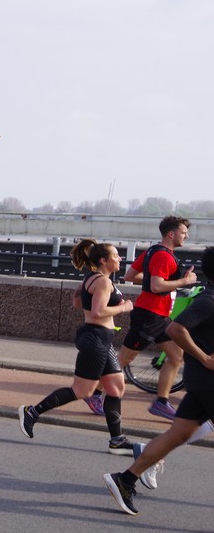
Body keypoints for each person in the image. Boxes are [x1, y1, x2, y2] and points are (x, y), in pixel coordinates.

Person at [106, 246, 214, 516]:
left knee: (177, 435)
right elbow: (175, 328)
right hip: (207, 381)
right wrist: (204, 357)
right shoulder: (209, 300)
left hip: (200, 383)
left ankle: (125, 480)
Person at [17, 239, 138, 454]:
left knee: (116, 387)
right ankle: (32, 412)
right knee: (83, 390)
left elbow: (77, 303)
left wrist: (100, 298)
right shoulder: (102, 281)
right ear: (104, 260)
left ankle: (117, 440)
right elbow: (98, 312)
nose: (120, 258)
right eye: (115, 255)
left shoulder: (92, 278)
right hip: (95, 339)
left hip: (102, 340)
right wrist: (124, 307)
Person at [116, 216, 199, 420]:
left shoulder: (153, 251)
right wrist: (184, 281)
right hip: (149, 315)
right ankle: (94, 392)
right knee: (125, 358)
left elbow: (130, 276)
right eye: (183, 232)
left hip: (161, 316)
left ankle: (161, 402)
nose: (187, 236)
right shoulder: (163, 256)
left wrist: (159, 279)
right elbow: (156, 286)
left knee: (176, 356)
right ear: (171, 234)